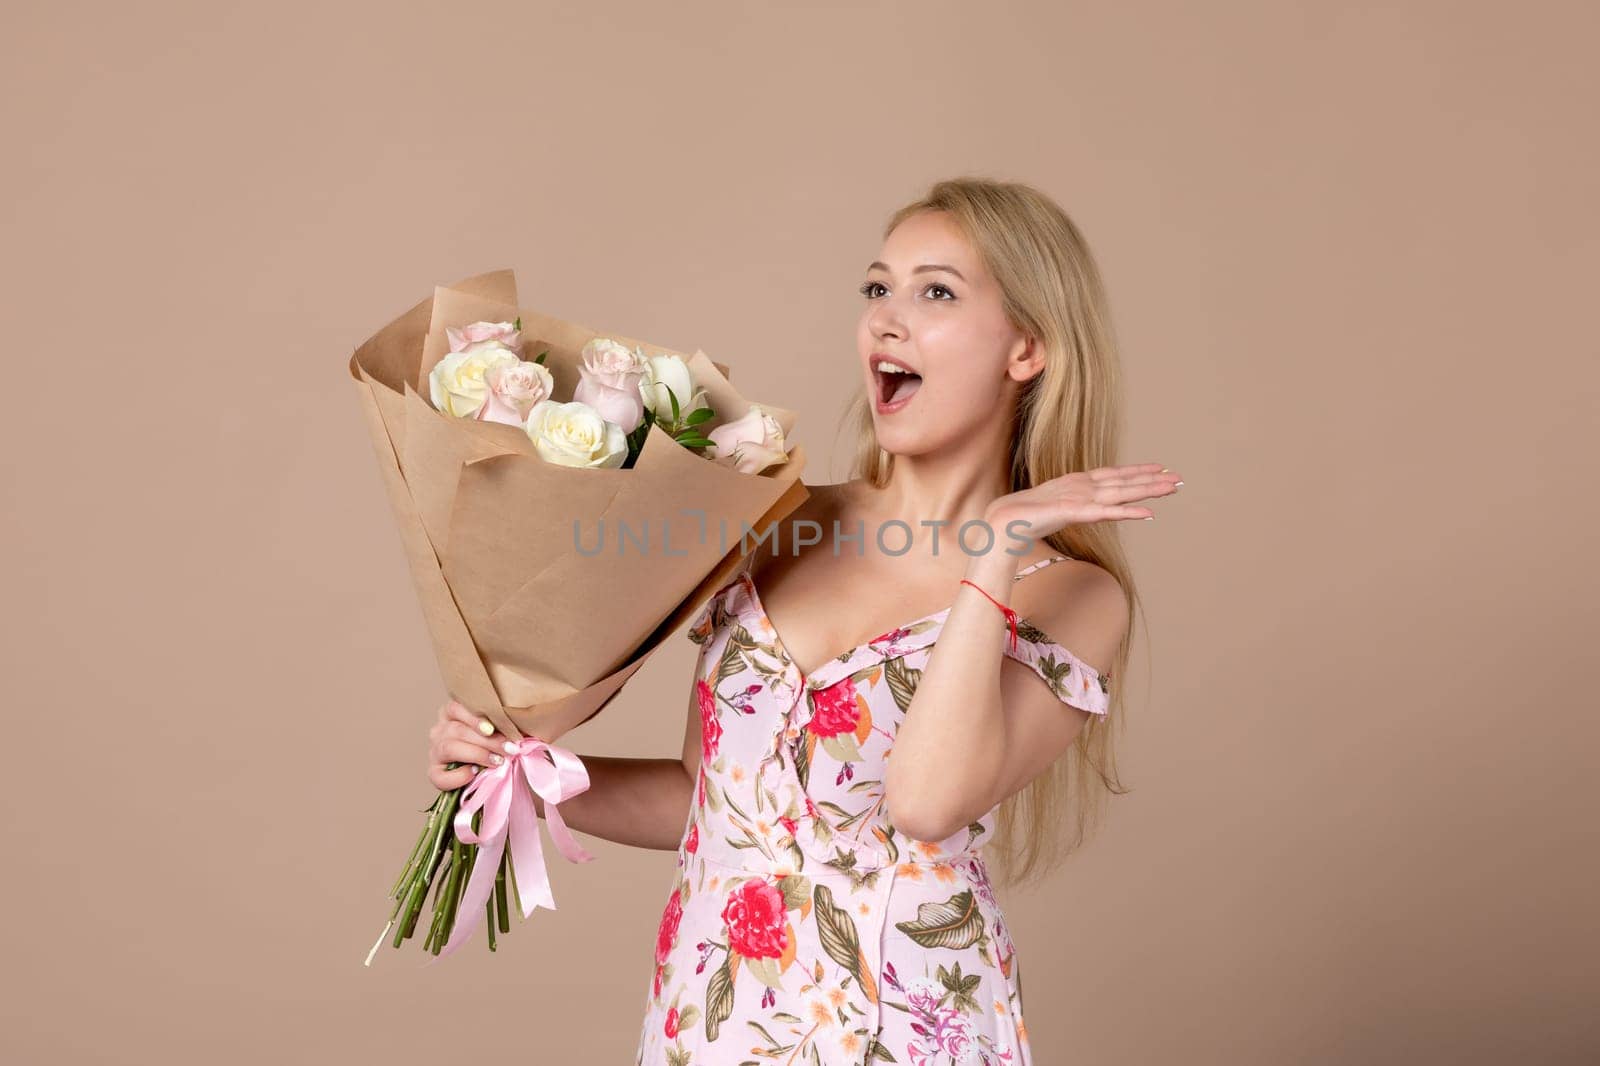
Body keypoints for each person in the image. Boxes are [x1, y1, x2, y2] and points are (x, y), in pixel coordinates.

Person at [426, 177, 1180, 1065]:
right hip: (710, 1019)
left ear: (1027, 349)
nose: (887, 321)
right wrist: (521, 771)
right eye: (877, 289)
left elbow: (927, 800)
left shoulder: (1070, 594)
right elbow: (709, 800)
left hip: (902, 1029)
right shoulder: (775, 521)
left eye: (935, 292)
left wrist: (995, 548)